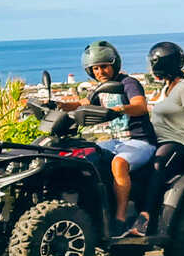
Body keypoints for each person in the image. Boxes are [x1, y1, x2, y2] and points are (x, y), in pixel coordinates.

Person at [56, 40, 157, 238]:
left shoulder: (127, 83)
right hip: (116, 142)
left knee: (119, 163)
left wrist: (120, 109)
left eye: (104, 66)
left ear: (114, 65)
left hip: (140, 141)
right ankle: (92, 215)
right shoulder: (100, 89)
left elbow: (140, 106)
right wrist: (60, 105)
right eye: (95, 68)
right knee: (84, 156)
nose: (100, 71)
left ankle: (119, 219)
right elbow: (83, 103)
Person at [129, 41, 184, 236]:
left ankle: (144, 219)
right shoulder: (165, 89)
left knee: (157, 165)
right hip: (158, 142)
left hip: (178, 143)